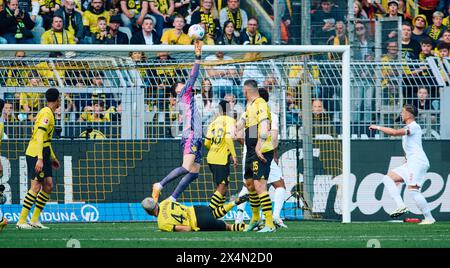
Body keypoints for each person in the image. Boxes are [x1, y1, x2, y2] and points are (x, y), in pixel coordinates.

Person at [151, 40, 203, 203]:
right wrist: (197, 58)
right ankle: (160, 184)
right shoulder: (184, 94)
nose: (185, 84)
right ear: (178, 90)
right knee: (186, 167)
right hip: (191, 136)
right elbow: (193, 76)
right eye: (181, 84)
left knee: (194, 172)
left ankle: (172, 198)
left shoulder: (186, 97)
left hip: (197, 136)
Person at [369, 104, 435, 224]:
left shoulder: (414, 126)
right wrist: (406, 160)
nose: (401, 113)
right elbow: (410, 147)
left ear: (409, 114)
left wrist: (378, 127)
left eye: (403, 111)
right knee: (387, 178)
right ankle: (400, 205)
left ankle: (429, 218)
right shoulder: (409, 127)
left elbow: (394, 132)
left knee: (413, 191)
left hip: (418, 162)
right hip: (411, 162)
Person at [235, 88, 288, 229]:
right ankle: (272, 217)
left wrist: (249, 147)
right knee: (277, 185)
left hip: (250, 154)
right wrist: (272, 154)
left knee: (250, 185)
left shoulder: (251, 114)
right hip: (263, 153)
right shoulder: (271, 115)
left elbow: (239, 135)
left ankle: (241, 217)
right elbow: (273, 138)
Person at [16, 88, 61, 230]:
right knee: (35, 186)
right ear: (57, 100)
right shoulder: (46, 113)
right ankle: (21, 221)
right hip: (36, 152)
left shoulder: (49, 113)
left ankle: (34, 220)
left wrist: (52, 157)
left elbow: (46, 139)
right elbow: (40, 136)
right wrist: (40, 159)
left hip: (44, 151)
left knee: (48, 186)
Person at [236, 79, 275, 233]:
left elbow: (264, 128)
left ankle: (270, 224)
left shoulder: (261, 104)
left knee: (260, 185)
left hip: (262, 150)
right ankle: (255, 218)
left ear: (246, 90)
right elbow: (246, 121)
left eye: (243, 91)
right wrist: (237, 127)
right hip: (251, 150)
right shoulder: (250, 105)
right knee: (250, 184)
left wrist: (258, 146)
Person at [141, 194, 248, 232]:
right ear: (155, 203)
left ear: (148, 211)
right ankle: (234, 202)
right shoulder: (165, 202)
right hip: (197, 209)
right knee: (215, 213)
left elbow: (187, 229)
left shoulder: (162, 224)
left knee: (228, 227)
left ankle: (253, 227)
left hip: (199, 222)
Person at [205, 100, 238, 213]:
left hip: (211, 157)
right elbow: (228, 138)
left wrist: (215, 148)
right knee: (222, 186)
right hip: (221, 159)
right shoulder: (231, 121)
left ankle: (217, 214)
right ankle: (209, 212)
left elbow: (206, 143)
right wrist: (234, 155)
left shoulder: (213, 122)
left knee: (222, 188)